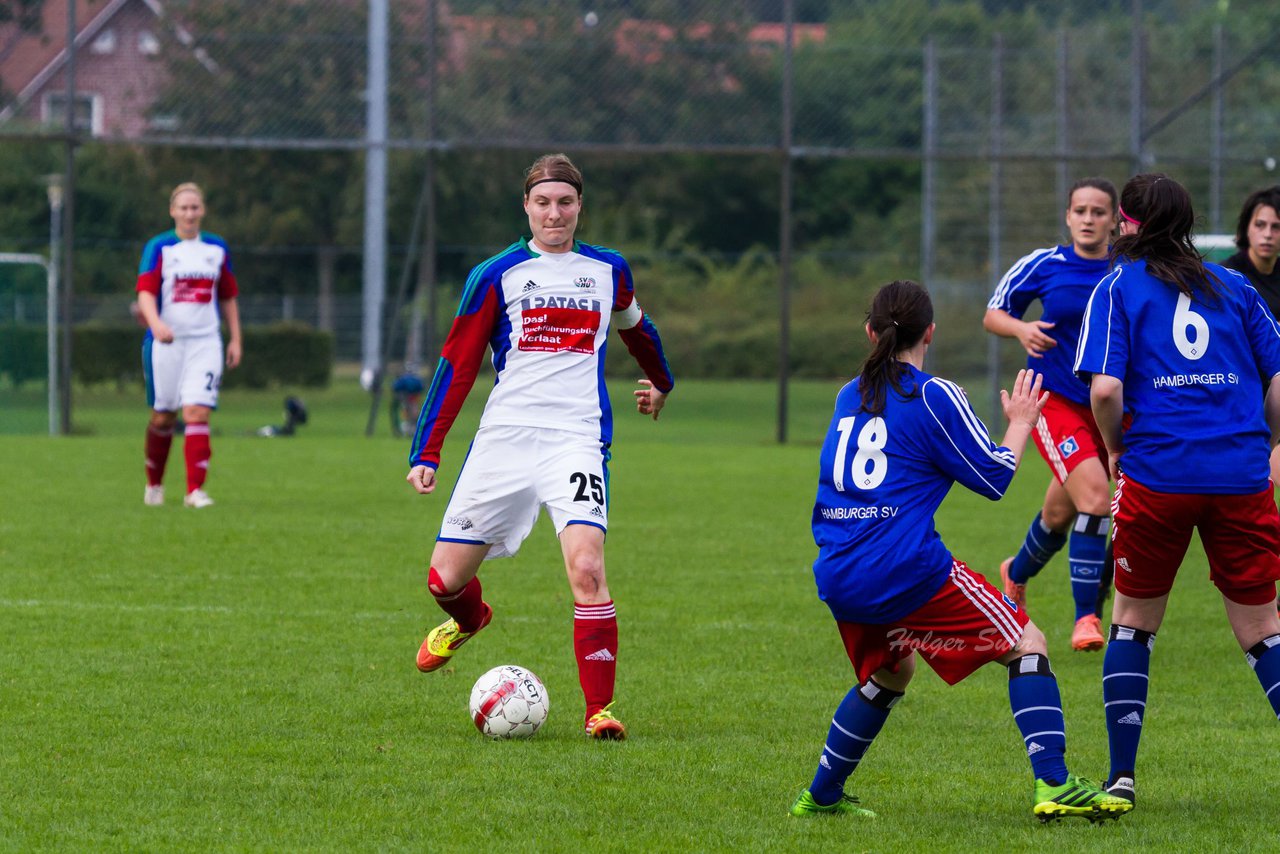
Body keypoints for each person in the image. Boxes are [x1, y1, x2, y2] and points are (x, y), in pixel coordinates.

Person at [791, 279, 1131, 823]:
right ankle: (1055, 783)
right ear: (930, 332)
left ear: (870, 332)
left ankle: (822, 794)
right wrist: (1021, 423)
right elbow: (994, 476)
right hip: (903, 568)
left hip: (838, 569)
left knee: (890, 673)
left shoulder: (847, 394)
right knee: (1027, 642)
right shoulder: (933, 393)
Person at [405, 153, 674, 740]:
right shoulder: (495, 273)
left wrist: (661, 381)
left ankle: (598, 711)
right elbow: (457, 364)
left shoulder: (608, 269)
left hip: (576, 441)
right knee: (444, 582)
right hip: (504, 441)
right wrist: (427, 450)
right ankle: (470, 620)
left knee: (587, 567)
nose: (555, 213)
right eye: (543, 202)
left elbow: (637, 328)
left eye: (566, 202)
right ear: (526, 206)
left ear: (580, 205)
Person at [1075, 173, 1280, 808]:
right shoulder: (1236, 284)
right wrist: (1266, 443)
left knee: (1133, 623)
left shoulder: (1115, 286)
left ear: (1129, 224)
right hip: (1241, 475)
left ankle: (1122, 778)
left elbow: (1105, 390)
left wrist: (1113, 447)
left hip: (1159, 474)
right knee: (1263, 628)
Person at [984, 178, 1119, 652]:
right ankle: (1087, 618)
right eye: (1079, 210)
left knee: (1059, 514)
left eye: (1098, 211)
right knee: (1097, 499)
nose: (1088, 218)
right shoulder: (1046, 264)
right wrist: (1021, 329)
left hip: (1107, 406)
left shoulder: (1127, 268)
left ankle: (1014, 573)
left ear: (1114, 219)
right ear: (1067, 217)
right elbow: (994, 313)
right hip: (1052, 401)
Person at [136, 182, 242, 508]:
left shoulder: (216, 248)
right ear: (172, 211)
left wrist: (235, 338)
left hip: (205, 341)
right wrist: (157, 324)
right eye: (183, 207)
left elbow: (227, 296)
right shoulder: (160, 247)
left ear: (203, 210)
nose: (189, 213)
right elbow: (145, 293)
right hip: (167, 344)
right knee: (163, 417)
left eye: (195, 207)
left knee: (197, 411)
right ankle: (154, 483)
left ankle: (194, 491)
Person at [1223, 185, 1280, 489]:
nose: (1268, 234)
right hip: (1239, 405)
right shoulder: (1230, 277)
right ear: (1247, 227)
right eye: (1260, 225)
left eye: (1276, 226)